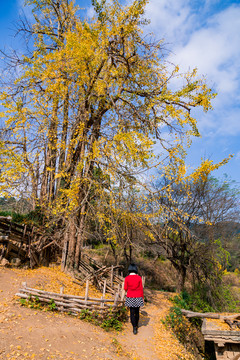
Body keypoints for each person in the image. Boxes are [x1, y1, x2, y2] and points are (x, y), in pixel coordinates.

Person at [124, 263, 144, 335]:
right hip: (138, 296)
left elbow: (125, 288)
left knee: (132, 313)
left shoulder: (127, 278)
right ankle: (137, 324)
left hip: (130, 297)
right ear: (136, 269)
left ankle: (134, 327)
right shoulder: (139, 278)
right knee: (137, 311)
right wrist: (142, 297)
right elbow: (141, 289)